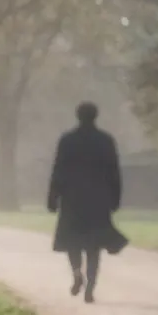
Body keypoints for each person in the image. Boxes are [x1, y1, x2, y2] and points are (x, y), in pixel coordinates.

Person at [47, 102, 128, 303]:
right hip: (97, 199)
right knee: (94, 245)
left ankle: (76, 273)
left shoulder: (67, 141)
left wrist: (53, 197)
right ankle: (90, 287)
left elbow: (58, 170)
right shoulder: (105, 141)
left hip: (72, 198)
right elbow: (113, 172)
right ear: (95, 116)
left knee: (72, 241)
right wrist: (115, 197)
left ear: (78, 116)